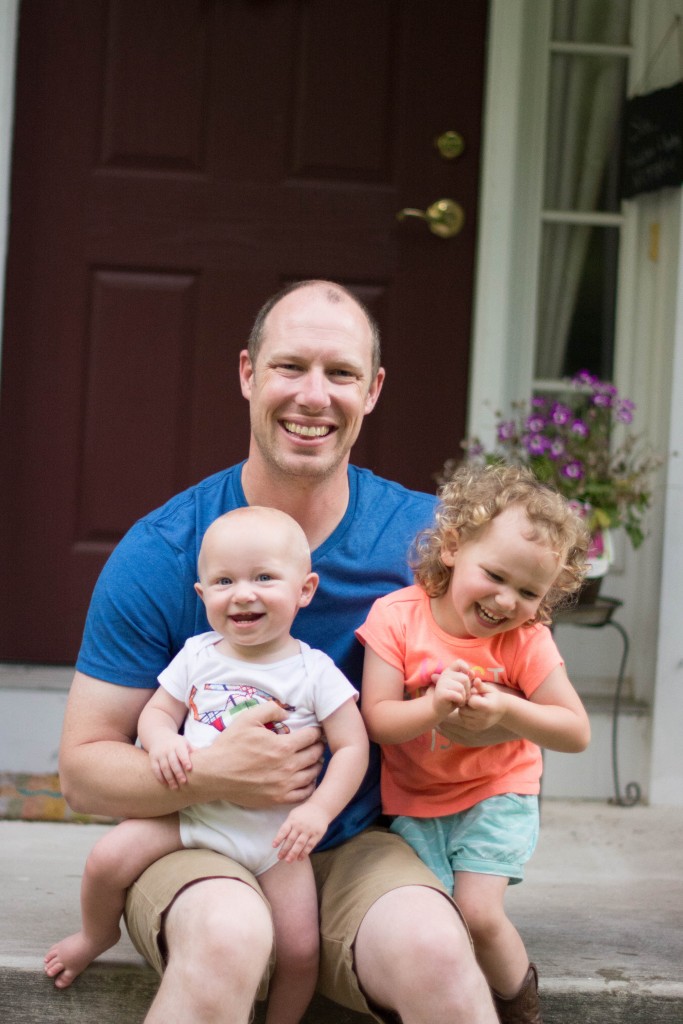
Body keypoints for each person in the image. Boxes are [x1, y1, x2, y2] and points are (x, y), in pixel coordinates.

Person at [58, 279, 501, 1024]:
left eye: (341, 374)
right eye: (290, 366)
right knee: (228, 937)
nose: (313, 396)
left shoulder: (429, 546)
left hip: (353, 842)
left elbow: (520, 675)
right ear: (247, 375)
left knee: (436, 953)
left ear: (373, 390)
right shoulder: (166, 550)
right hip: (201, 840)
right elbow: (83, 774)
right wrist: (206, 772)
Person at [46, 505, 369, 1024]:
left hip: (274, 838)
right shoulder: (199, 654)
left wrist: (320, 812)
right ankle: (95, 933)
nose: (242, 593)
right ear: (202, 596)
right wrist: (160, 741)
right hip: (194, 814)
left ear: (305, 590)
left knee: (301, 951)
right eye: (223, 581)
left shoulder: (314, 671)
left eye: (264, 577)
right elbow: (158, 711)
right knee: (106, 860)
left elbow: (353, 746)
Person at [357, 463, 592, 1024]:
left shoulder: (525, 641)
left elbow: (575, 730)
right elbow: (378, 719)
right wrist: (433, 707)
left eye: (529, 591)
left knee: (479, 915)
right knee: (432, 921)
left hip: (497, 793)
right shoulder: (397, 619)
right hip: (417, 799)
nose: (506, 601)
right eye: (496, 575)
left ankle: (519, 1009)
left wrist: (508, 708)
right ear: (453, 547)